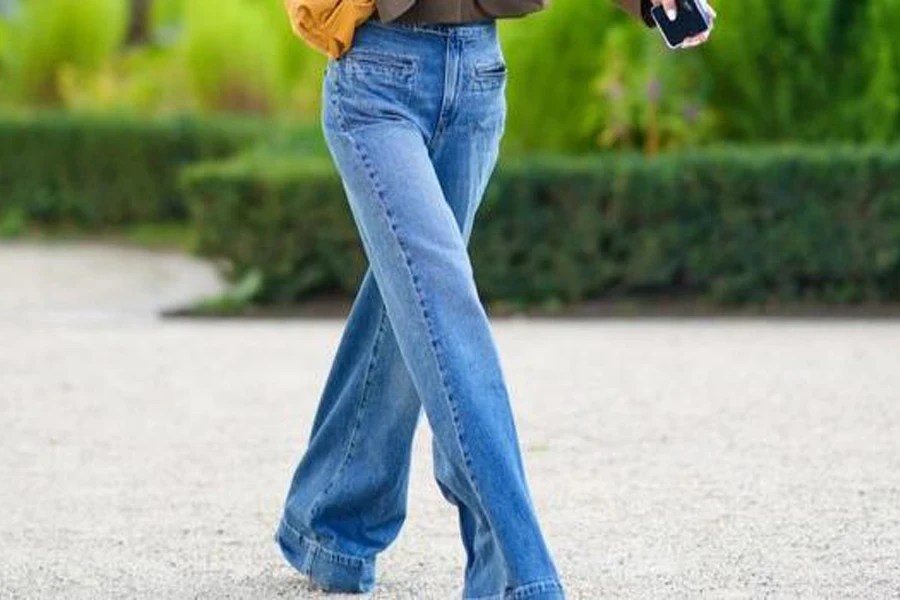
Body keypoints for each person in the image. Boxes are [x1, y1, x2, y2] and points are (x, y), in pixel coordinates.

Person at [274, 1, 714, 598]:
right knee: (443, 308)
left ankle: (330, 523)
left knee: (409, 302)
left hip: (479, 78)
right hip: (375, 80)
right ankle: (514, 577)